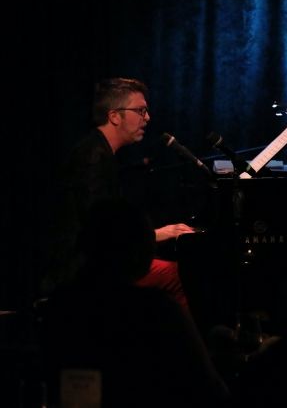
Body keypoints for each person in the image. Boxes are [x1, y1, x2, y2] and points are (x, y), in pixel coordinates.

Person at [39, 197, 230, 408]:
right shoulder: (159, 309)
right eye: (149, 241)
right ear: (137, 252)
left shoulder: (60, 303)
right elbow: (211, 390)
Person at [45, 77, 196, 307]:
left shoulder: (100, 151)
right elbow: (100, 230)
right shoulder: (93, 157)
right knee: (174, 275)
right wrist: (155, 235)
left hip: (98, 262)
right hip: (82, 268)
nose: (147, 117)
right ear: (114, 116)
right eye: (140, 111)